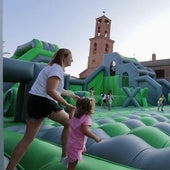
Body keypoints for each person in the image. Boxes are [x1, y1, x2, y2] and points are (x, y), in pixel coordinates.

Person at [6, 48, 80, 170]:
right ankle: (64, 157)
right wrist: (67, 105)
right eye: (70, 57)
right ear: (64, 58)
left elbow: (56, 89)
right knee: (69, 123)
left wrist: (72, 95)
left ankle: (10, 168)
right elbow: (50, 91)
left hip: (34, 99)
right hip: (43, 100)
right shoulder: (56, 69)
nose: (72, 59)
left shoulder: (51, 68)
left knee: (28, 138)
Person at [66, 97, 101, 170]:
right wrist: (95, 137)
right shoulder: (87, 118)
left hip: (73, 142)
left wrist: (72, 110)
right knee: (72, 167)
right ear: (89, 109)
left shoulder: (76, 114)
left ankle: (75, 155)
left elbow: (70, 116)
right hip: (76, 145)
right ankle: (72, 160)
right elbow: (85, 131)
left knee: (81, 150)